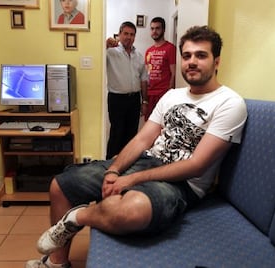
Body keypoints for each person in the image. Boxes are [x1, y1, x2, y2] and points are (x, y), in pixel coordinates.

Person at [25, 25, 248, 268]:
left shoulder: (230, 103)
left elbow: (196, 165)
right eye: (187, 56)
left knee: (131, 210)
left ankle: (76, 217)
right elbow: (143, 139)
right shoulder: (172, 96)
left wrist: (129, 181)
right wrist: (114, 171)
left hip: (182, 183)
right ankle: (56, 264)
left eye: (201, 55)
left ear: (217, 61)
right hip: (146, 161)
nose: (192, 62)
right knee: (60, 186)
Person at [105, 21, 148, 159]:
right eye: (126, 34)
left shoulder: (139, 56)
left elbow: (143, 80)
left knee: (131, 135)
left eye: (132, 34)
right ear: (119, 34)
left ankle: (127, 163)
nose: (129, 37)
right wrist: (105, 44)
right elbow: (96, 54)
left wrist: (144, 101)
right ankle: (109, 165)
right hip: (117, 99)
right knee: (117, 133)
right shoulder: (110, 53)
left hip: (134, 99)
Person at [144, 17, 176, 121]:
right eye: (152, 28)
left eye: (157, 28)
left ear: (163, 30)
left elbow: (174, 73)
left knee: (163, 125)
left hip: (163, 94)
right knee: (149, 124)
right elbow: (146, 74)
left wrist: (169, 96)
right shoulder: (149, 51)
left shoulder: (170, 48)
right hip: (150, 95)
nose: (154, 31)